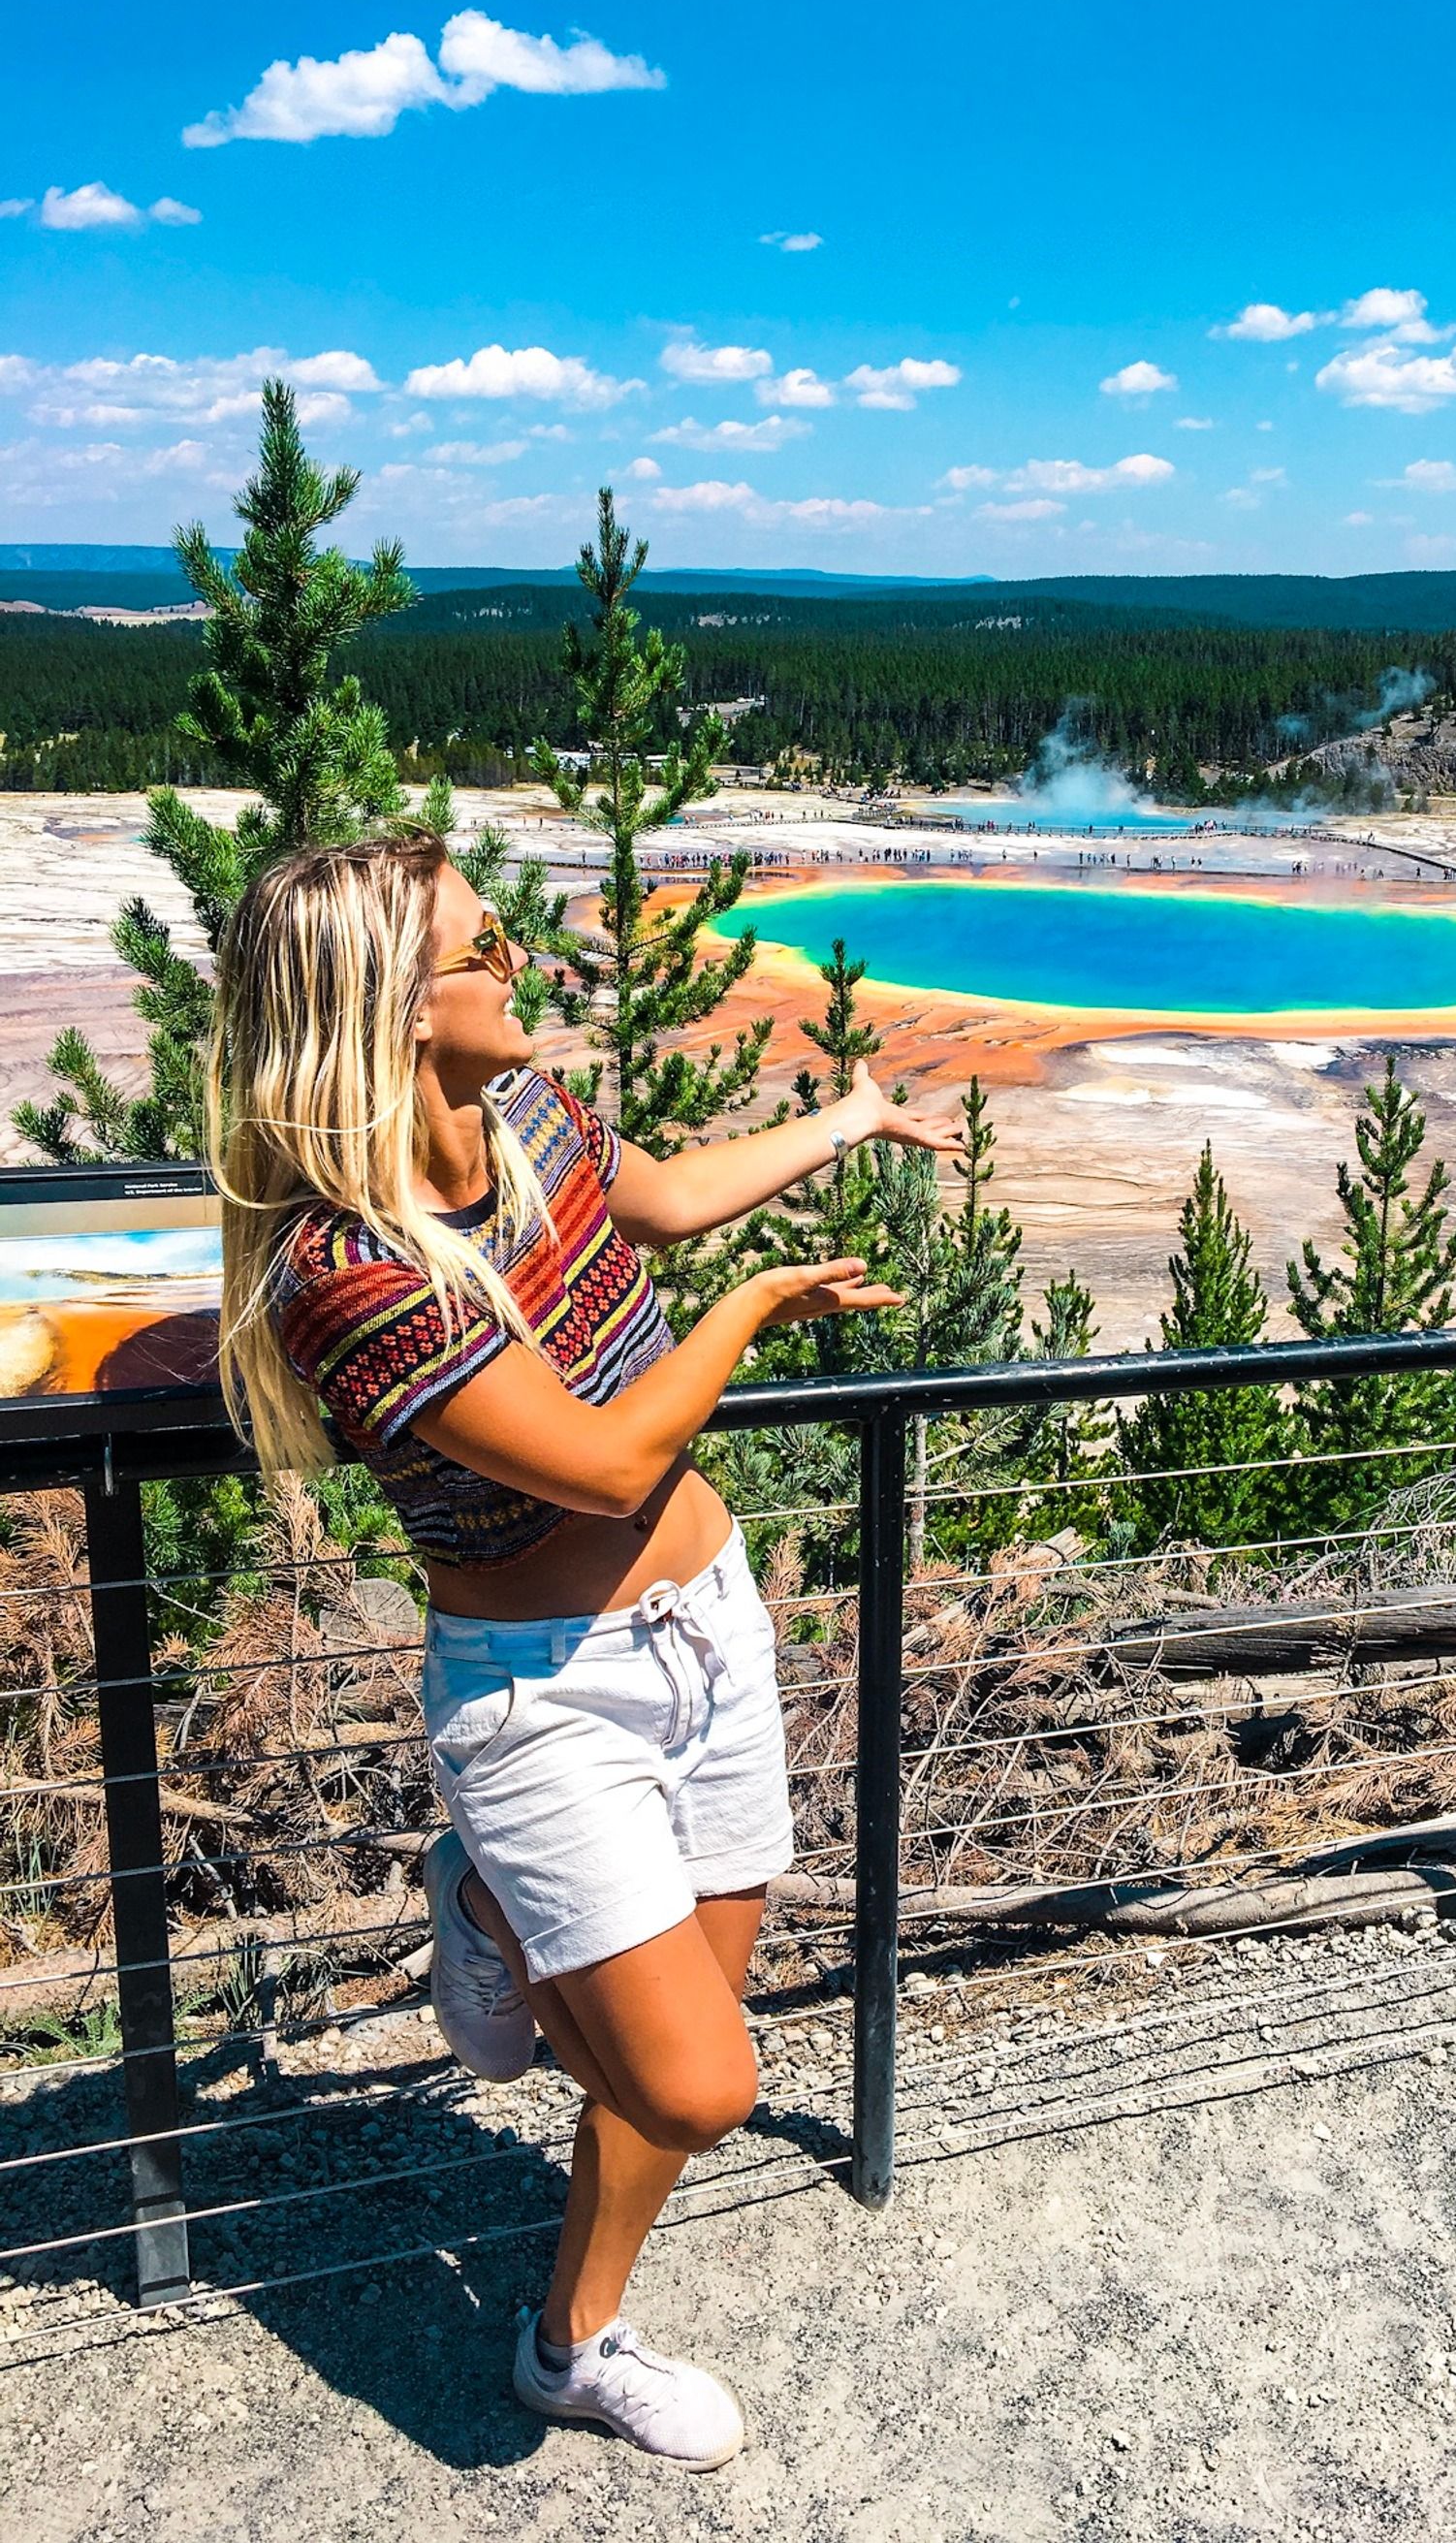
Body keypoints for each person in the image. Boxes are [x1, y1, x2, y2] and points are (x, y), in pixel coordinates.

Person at [207, 831, 962, 2467]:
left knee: (663, 2060)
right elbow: (614, 1458)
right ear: (392, 1010)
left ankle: (571, 2339)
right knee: (695, 2084)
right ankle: (490, 1885)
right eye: (487, 954)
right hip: (548, 1700)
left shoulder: (521, 1116)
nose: (524, 967)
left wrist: (846, 1117)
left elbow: (670, 1199)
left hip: (712, 1630)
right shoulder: (349, 1270)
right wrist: (752, 1310)